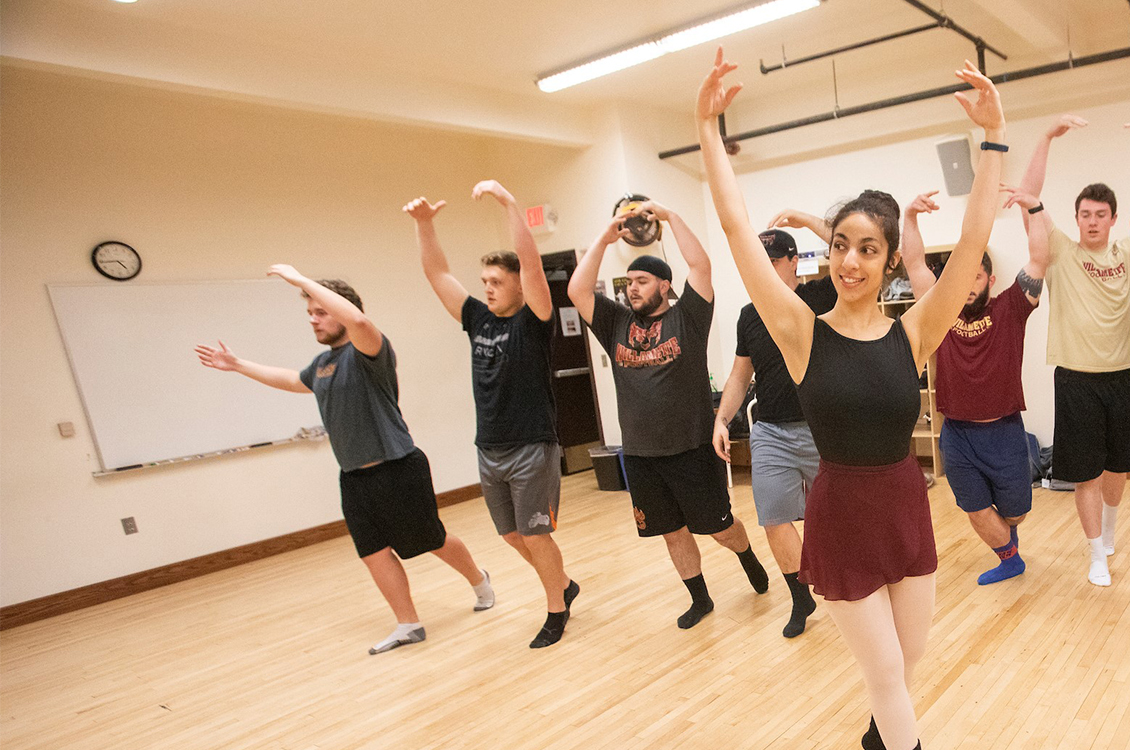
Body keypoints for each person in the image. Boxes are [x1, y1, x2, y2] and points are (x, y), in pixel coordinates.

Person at [696, 47, 1004, 750]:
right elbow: (737, 228)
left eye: (867, 248)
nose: (850, 261)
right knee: (887, 674)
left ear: (890, 258)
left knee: (907, 661)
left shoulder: (914, 330)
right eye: (840, 245)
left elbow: (974, 241)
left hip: (902, 505)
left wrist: (993, 138)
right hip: (840, 514)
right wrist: (708, 131)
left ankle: (877, 739)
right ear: (825, 251)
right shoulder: (800, 331)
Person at [195, 266, 494, 655]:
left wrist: (302, 280)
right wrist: (238, 365)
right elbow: (291, 380)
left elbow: (359, 320)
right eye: (310, 314)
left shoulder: (369, 349)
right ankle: (408, 624)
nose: (313, 320)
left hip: (398, 466)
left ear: (342, 309)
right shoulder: (323, 364)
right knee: (372, 552)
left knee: (430, 540)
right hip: (354, 476)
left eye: (319, 311)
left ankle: (479, 578)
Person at [568, 198, 769, 631]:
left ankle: (746, 554)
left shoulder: (689, 318)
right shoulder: (615, 324)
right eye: (628, 282)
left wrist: (671, 217)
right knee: (670, 531)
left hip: (692, 448)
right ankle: (700, 598)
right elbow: (577, 292)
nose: (632, 288)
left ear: (664, 285)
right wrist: (603, 240)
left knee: (717, 528)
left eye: (641, 281)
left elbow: (701, 268)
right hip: (641, 455)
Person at [402, 179, 579, 649]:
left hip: (532, 448)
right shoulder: (478, 319)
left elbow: (534, 267)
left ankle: (556, 609)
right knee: (512, 537)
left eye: (497, 282)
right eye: (484, 283)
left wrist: (509, 204)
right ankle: (563, 583)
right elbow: (438, 275)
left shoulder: (534, 320)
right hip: (490, 449)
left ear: (519, 285)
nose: (488, 289)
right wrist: (424, 226)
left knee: (536, 536)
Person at [1017, 114, 1130, 586]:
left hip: (1120, 377)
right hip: (1074, 379)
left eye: (1100, 215)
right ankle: (1095, 554)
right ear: (1076, 220)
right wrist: (1046, 136)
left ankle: (1109, 531)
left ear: (1113, 218)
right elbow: (1028, 198)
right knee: (1086, 473)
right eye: (1085, 215)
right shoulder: (1060, 252)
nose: (1092, 222)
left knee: (1117, 466)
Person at [898, 185, 1050, 585]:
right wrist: (909, 217)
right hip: (958, 434)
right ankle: (1010, 559)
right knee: (976, 508)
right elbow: (914, 264)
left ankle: (1007, 542)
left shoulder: (1011, 306)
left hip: (1004, 431)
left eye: (976, 275)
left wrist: (1033, 207)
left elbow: (1039, 258)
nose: (968, 282)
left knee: (1015, 512)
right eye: (961, 275)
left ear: (990, 279)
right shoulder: (939, 309)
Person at [712, 228, 835, 638]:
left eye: (773, 262)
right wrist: (722, 418)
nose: (764, 271)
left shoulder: (820, 298)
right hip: (770, 432)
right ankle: (801, 598)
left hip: (822, 431)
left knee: (836, 519)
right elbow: (739, 374)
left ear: (793, 261)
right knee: (774, 517)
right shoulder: (749, 316)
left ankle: (848, 585)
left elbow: (843, 243)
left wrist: (801, 217)